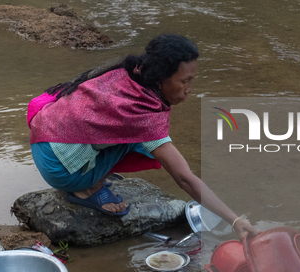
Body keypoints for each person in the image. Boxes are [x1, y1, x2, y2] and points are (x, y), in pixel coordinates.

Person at [27, 34, 258, 240]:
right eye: (185, 81)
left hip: (45, 139)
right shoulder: (142, 112)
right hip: (60, 171)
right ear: (161, 78)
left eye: (192, 80)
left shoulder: (129, 73)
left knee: (143, 140)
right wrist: (234, 220)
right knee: (144, 142)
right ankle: (88, 189)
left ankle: (88, 171)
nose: (189, 89)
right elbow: (184, 178)